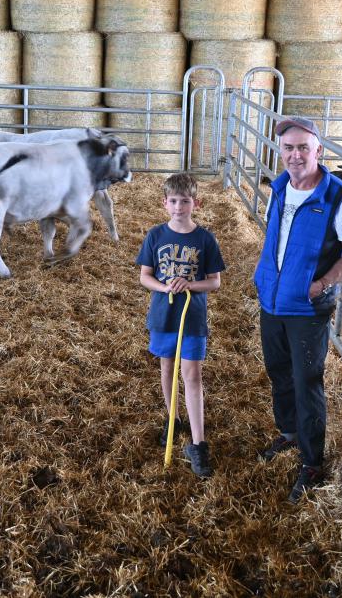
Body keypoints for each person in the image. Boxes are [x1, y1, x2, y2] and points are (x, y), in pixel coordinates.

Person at [254, 116, 342, 503]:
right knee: (278, 371)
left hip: (308, 307)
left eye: (304, 147)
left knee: (307, 381)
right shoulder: (280, 187)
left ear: (319, 150)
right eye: (288, 147)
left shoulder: (339, 197)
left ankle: (312, 461)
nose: (296, 154)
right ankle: (288, 433)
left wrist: (322, 284)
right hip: (272, 299)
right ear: (280, 151)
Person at [137, 173, 225, 478]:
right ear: (164, 203)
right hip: (163, 314)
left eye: (185, 201)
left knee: (192, 376)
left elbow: (214, 282)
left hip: (192, 317)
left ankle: (199, 443)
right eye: (173, 201)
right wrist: (164, 288)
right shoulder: (155, 236)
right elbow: (144, 276)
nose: (178, 207)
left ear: (195, 203)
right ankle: (173, 418)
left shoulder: (205, 239)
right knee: (167, 368)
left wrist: (189, 283)